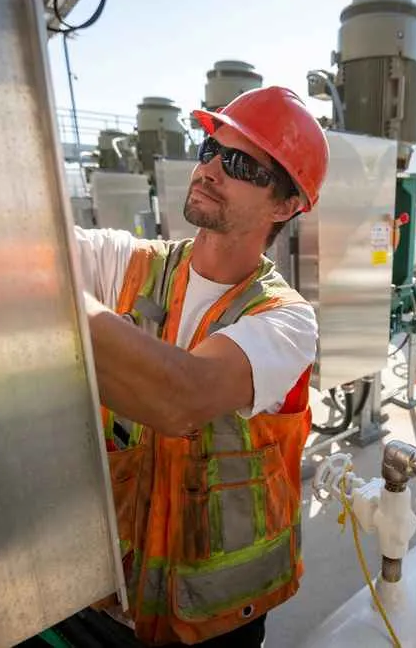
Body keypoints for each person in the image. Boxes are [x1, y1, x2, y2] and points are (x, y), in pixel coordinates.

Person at [60, 86, 328, 647]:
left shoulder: (287, 321)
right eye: (210, 147)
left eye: (240, 164)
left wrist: (51, 288)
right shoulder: (128, 264)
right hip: (114, 596)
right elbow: (37, 246)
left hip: (213, 622)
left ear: (284, 206)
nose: (209, 168)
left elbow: (179, 398)